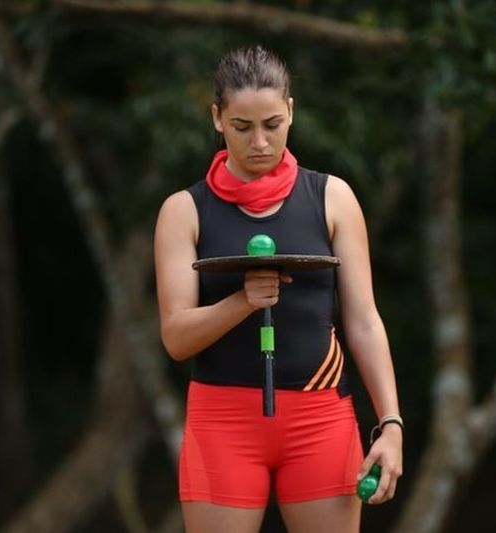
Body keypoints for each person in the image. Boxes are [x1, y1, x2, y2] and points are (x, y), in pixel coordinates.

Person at [154, 44, 402, 533]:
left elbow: (364, 321)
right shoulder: (184, 211)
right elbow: (177, 338)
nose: (260, 142)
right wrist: (242, 302)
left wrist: (391, 423)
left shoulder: (331, 197)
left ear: (290, 110)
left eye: (272, 124)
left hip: (320, 418)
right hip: (222, 421)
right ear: (217, 118)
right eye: (242, 127)